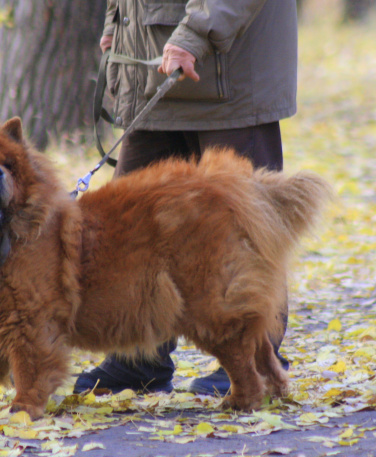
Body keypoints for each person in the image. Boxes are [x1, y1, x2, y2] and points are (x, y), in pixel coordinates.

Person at [74, 0, 297, 396]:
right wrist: (118, 23)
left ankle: (253, 363)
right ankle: (139, 358)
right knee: (126, 227)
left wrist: (195, 34)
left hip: (228, 74)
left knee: (241, 234)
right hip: (157, 67)